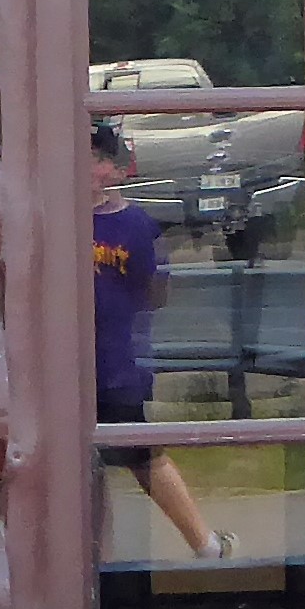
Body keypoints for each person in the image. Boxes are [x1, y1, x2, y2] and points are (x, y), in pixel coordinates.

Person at [92, 122, 232, 561]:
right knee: (76, 465)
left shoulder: (136, 226)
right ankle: (92, 559)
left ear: (114, 171)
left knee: (144, 456)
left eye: (97, 158)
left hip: (115, 361)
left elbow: (155, 292)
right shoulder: (52, 216)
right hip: (60, 364)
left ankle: (203, 543)